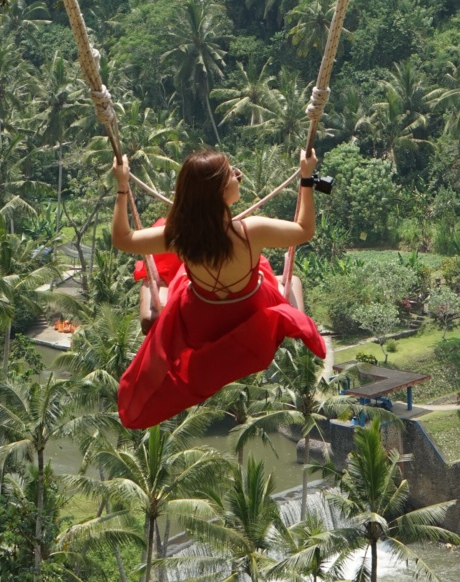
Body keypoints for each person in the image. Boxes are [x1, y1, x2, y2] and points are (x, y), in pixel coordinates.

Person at [113, 147, 325, 429]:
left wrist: (122, 188)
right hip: (250, 313)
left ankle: (154, 289)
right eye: (231, 173)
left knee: (172, 274)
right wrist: (307, 178)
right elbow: (304, 230)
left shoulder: (178, 236)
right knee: (288, 281)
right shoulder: (252, 230)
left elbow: (123, 239)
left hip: (201, 321)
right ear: (219, 190)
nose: (238, 175)